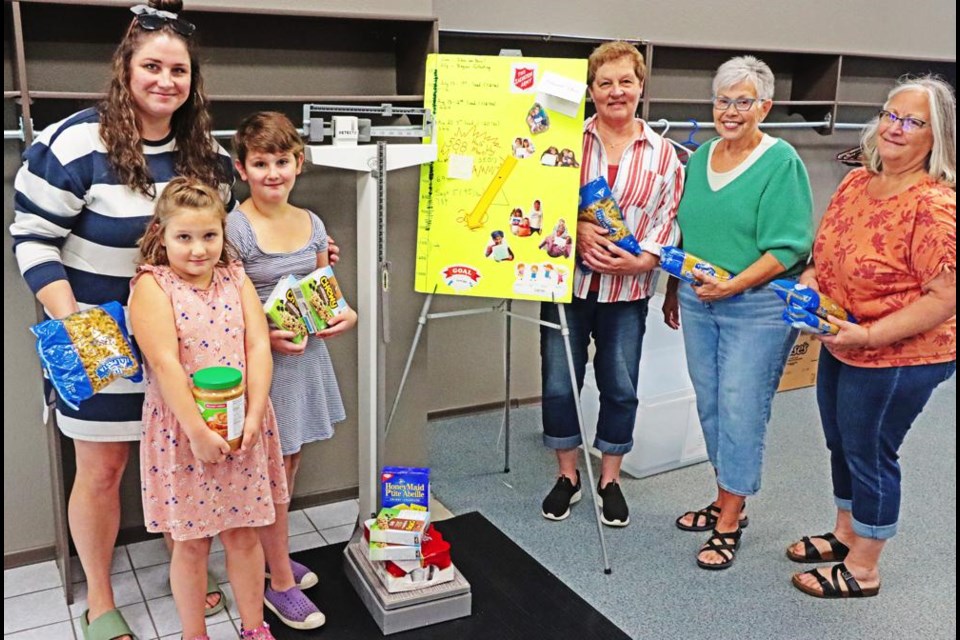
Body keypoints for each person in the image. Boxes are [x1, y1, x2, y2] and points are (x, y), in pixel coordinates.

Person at [9, 3, 234, 637]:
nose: (166, 80)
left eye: (179, 70)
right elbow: (31, 238)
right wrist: (78, 324)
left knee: (185, 461)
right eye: (152, 66)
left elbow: (225, 238)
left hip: (188, 347)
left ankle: (182, 562)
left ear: (194, 80)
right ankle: (101, 597)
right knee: (103, 472)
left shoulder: (209, 156)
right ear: (125, 70)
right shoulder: (72, 143)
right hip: (99, 341)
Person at [788, 76, 956, 598]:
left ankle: (863, 567)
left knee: (870, 449)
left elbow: (946, 296)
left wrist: (870, 335)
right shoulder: (857, 182)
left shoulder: (934, 206)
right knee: (840, 440)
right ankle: (844, 533)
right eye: (891, 115)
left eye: (913, 121)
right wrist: (811, 280)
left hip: (899, 352)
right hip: (844, 337)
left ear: (938, 137)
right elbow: (825, 251)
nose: (896, 129)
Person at [663, 56, 813, 569]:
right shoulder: (700, 156)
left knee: (741, 407)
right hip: (699, 299)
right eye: (722, 100)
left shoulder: (781, 161)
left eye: (743, 101)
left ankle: (731, 517)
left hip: (756, 306)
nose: (730, 111)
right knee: (710, 404)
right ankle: (724, 494)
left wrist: (733, 285)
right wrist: (673, 287)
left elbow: (788, 247)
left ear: (764, 107)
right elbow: (687, 233)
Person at [129, 178, 285, 640]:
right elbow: (165, 363)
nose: (198, 250)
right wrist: (197, 430)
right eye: (184, 237)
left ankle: (254, 628)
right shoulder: (152, 286)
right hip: (184, 432)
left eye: (209, 236)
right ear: (161, 233)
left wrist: (255, 414)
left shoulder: (235, 277)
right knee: (191, 543)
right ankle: (194, 634)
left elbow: (258, 344)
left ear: (223, 233)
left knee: (244, 535)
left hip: (242, 426)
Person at [539, 41, 683, 527]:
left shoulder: (665, 155)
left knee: (620, 387)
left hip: (628, 295)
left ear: (641, 87)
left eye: (625, 82)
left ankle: (610, 478)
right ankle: (567, 476)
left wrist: (645, 259)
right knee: (560, 385)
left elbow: (670, 218)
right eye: (605, 83)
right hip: (568, 287)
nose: (616, 92)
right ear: (591, 90)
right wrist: (573, 229)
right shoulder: (563, 143)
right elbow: (538, 202)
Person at [226, 112, 357, 628]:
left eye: (282, 161)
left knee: (289, 468)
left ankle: (272, 557)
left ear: (298, 163)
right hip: (259, 365)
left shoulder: (313, 222)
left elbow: (325, 289)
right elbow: (221, 304)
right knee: (267, 478)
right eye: (261, 163)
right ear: (242, 168)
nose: (273, 173)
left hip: (305, 362)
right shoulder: (232, 227)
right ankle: (278, 580)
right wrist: (260, 332)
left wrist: (346, 313)